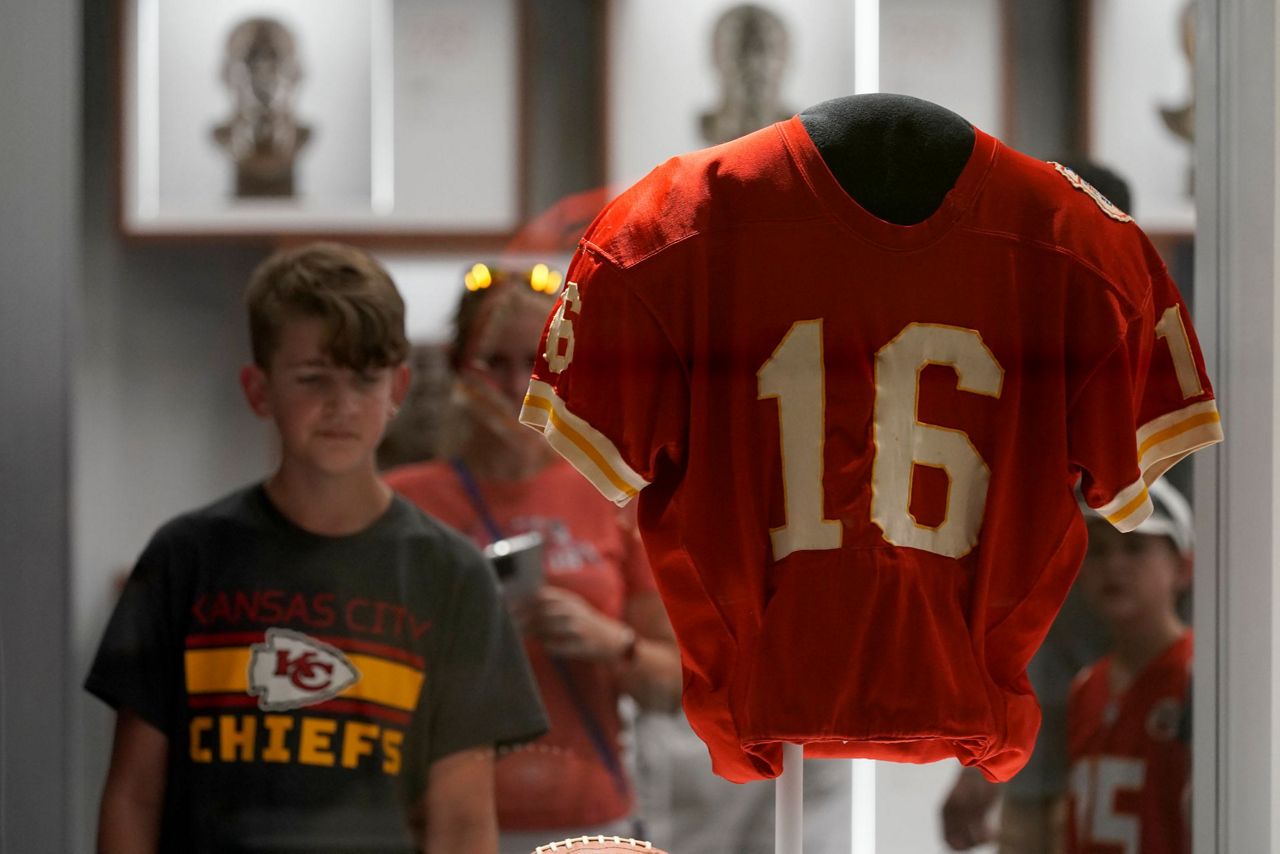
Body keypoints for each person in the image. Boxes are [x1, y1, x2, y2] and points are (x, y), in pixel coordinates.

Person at [85, 242, 547, 853]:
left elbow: (460, 819)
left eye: (365, 378)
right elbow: (133, 795)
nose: (342, 404)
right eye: (313, 378)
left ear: (398, 389)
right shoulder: (185, 559)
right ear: (259, 390)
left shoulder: (449, 574)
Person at [383, 263, 683, 854]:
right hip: (445, 821)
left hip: (589, 817)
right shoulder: (404, 503)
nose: (516, 384)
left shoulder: (613, 494)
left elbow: (677, 685)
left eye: (536, 363)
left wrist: (609, 642)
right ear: (457, 367)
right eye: (494, 363)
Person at [940, 160, 1136, 854]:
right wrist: (981, 767)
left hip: (1145, 727)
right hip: (1038, 742)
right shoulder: (1013, 367)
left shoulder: (1150, 359)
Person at [1065, 478, 1194, 854]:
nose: (1114, 565)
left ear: (1182, 568)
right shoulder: (1085, 687)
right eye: (1098, 550)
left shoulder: (1199, 678)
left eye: (1134, 547)